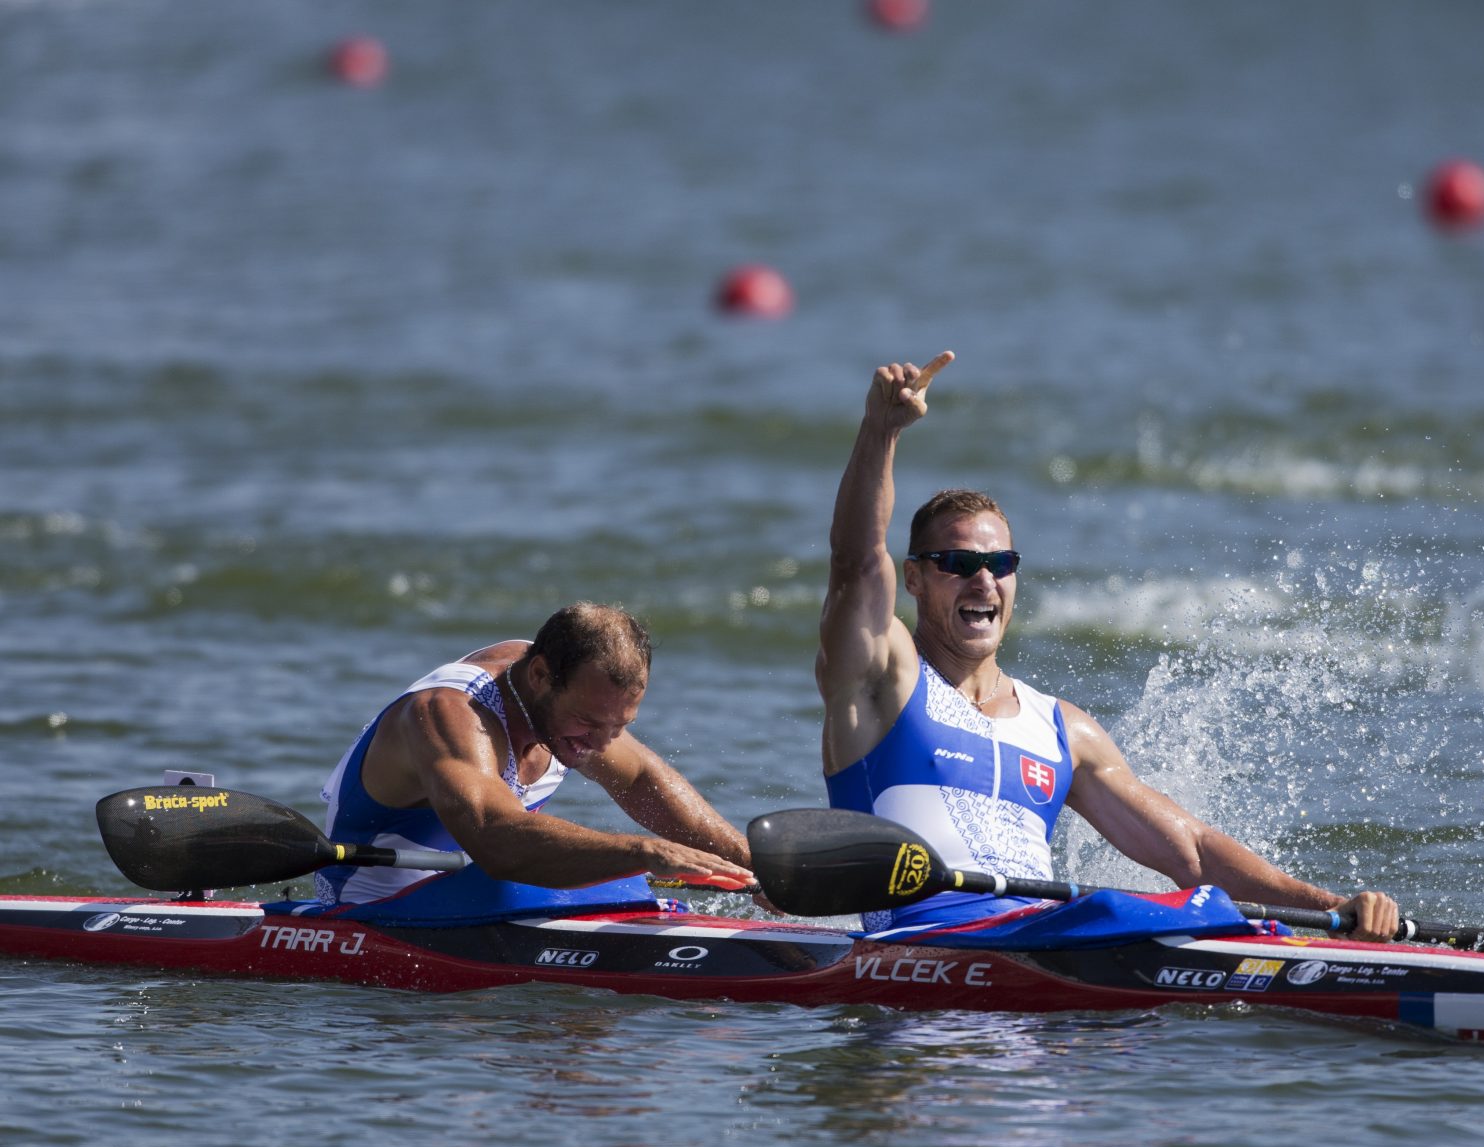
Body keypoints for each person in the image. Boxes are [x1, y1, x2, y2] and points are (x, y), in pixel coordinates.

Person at [816, 353, 1401, 940]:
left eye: (1000, 564)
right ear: (914, 579)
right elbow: (856, 566)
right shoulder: (884, 677)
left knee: (1229, 921)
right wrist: (881, 430)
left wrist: (1333, 909)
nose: (983, 581)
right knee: (1119, 915)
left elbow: (1192, 852)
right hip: (923, 946)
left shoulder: (1063, 730)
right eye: (959, 564)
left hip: (1041, 944)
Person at [316, 601, 752, 907]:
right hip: (373, 909)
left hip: (486, 898)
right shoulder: (448, 713)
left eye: (618, 727)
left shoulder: (570, 692)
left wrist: (755, 867)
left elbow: (640, 780)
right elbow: (497, 840)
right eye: (588, 722)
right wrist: (644, 852)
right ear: (541, 675)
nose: (602, 744)